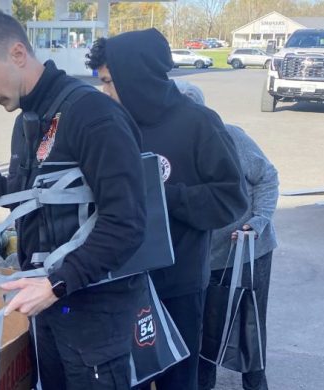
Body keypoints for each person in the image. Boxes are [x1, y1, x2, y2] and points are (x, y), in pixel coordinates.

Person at [0, 10, 148, 389]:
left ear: (18, 53)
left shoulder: (92, 115)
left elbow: (126, 223)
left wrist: (58, 283)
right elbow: (33, 200)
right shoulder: (30, 119)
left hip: (92, 313)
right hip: (49, 304)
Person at [85, 29, 248, 390]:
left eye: (110, 82)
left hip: (180, 286)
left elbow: (232, 199)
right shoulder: (111, 126)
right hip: (123, 283)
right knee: (129, 380)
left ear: (136, 78)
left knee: (179, 382)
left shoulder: (199, 124)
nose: (105, 92)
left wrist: (163, 196)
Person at [173, 81, 278, 390]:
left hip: (248, 249)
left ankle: (255, 384)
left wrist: (258, 221)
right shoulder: (174, 147)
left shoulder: (229, 137)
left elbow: (267, 177)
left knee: (249, 323)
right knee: (204, 326)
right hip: (204, 255)